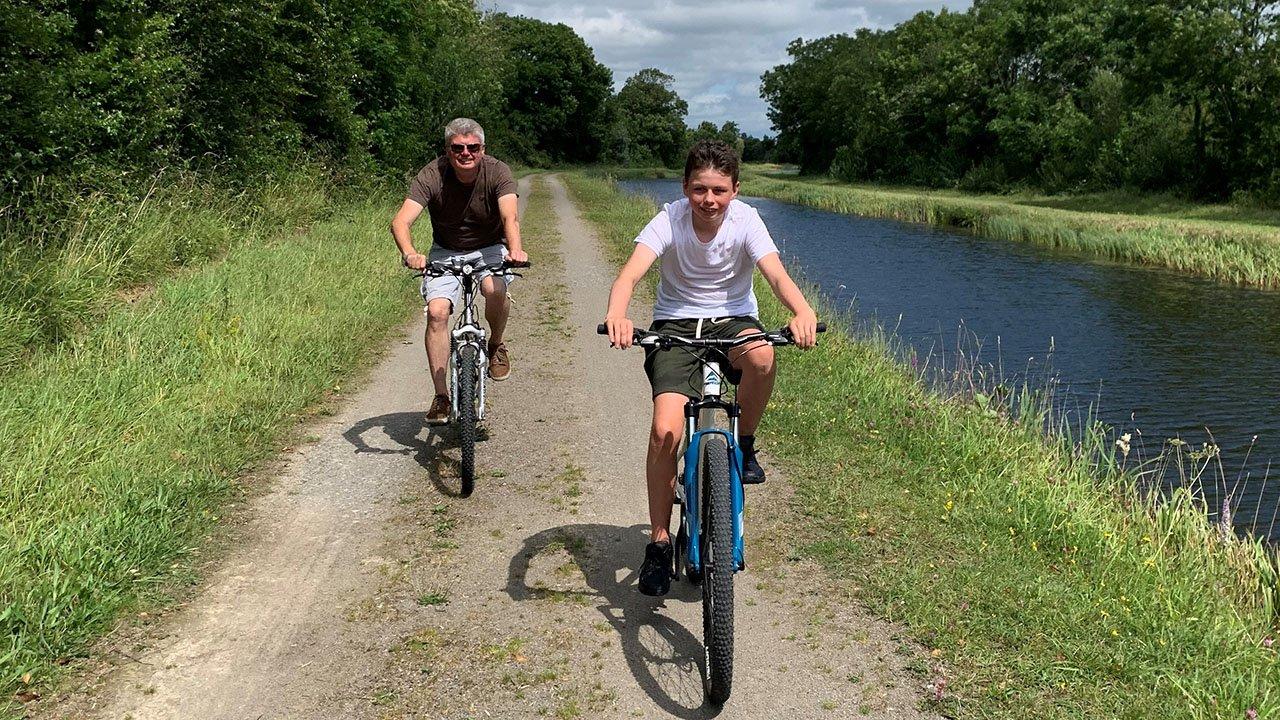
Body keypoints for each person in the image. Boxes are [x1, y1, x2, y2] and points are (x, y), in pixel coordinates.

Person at [602, 140, 818, 596]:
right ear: (685, 187)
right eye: (700, 189)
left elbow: (775, 274)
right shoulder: (669, 219)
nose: (709, 200)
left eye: (719, 190)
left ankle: (745, 445)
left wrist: (802, 311)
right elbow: (630, 273)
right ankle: (659, 542)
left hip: (733, 319)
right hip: (676, 327)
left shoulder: (747, 221)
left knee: (762, 355)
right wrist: (618, 312)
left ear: (735, 189)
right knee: (665, 432)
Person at [390, 118, 528, 424]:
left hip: (490, 246)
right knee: (437, 312)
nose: (465, 153)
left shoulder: (497, 171)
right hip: (445, 251)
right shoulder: (432, 174)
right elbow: (400, 222)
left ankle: (495, 345)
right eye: (458, 147)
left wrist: (515, 250)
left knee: (495, 289)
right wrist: (410, 253)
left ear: (482, 149)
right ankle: (441, 397)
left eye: (472, 147)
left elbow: (510, 217)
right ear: (447, 150)